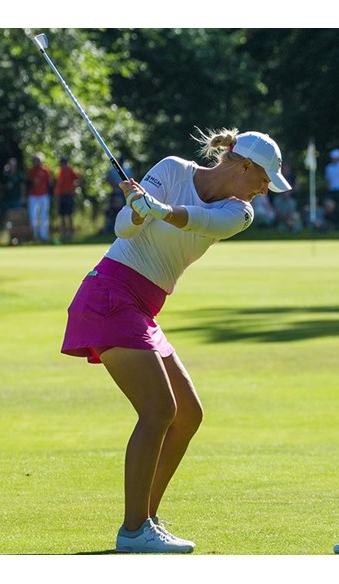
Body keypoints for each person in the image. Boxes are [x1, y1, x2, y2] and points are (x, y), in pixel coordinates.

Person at [60, 128, 290, 554]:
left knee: (187, 415)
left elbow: (198, 220)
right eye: (263, 179)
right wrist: (137, 209)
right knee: (160, 409)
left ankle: (145, 520)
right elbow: (123, 230)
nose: (264, 190)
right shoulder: (172, 169)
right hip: (110, 294)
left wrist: (157, 208)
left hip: (141, 307)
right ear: (243, 166)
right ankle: (133, 531)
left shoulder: (239, 212)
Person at [54, 157, 82, 243]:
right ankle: (64, 233)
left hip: (69, 195)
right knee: (62, 215)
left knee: (69, 214)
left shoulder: (71, 170)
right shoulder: (60, 171)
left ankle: (70, 233)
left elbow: (79, 179)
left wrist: (73, 187)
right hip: (61, 195)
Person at [26, 153, 53, 243]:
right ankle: (35, 235)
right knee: (33, 216)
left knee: (44, 216)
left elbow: (50, 184)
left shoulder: (45, 170)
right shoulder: (31, 171)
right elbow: (28, 184)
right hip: (33, 196)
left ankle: (44, 236)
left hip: (43, 196)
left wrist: (49, 195)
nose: (35, 162)